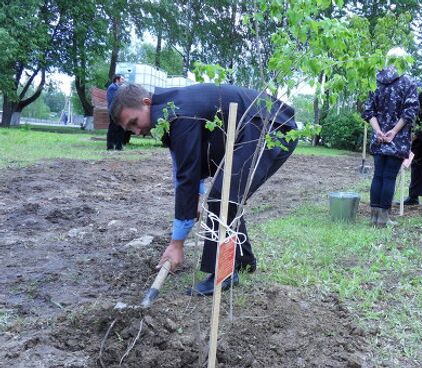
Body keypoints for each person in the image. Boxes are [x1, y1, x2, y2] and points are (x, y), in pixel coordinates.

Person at [110, 83, 298, 295]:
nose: (137, 131)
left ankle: (223, 272)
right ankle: (243, 260)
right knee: (225, 194)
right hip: (256, 127)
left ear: (146, 103)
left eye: (134, 122)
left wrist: (177, 243)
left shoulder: (178, 114)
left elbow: (187, 177)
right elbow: (187, 162)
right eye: (130, 129)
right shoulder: (171, 110)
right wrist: (196, 199)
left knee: (223, 195)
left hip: (272, 128)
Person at [362, 47, 420, 227]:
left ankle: (374, 217)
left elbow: (367, 110)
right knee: (388, 178)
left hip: (378, 138)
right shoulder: (408, 83)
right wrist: (394, 131)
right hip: (397, 139)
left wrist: (378, 130)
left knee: (378, 176)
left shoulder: (375, 81)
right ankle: (383, 218)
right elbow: (411, 112)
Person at [106, 74, 126, 150]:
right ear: (117, 80)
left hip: (120, 111)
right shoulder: (112, 87)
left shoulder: (119, 88)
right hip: (114, 111)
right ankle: (110, 146)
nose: (124, 81)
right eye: (122, 79)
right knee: (113, 129)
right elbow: (112, 100)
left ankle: (119, 146)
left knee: (121, 129)